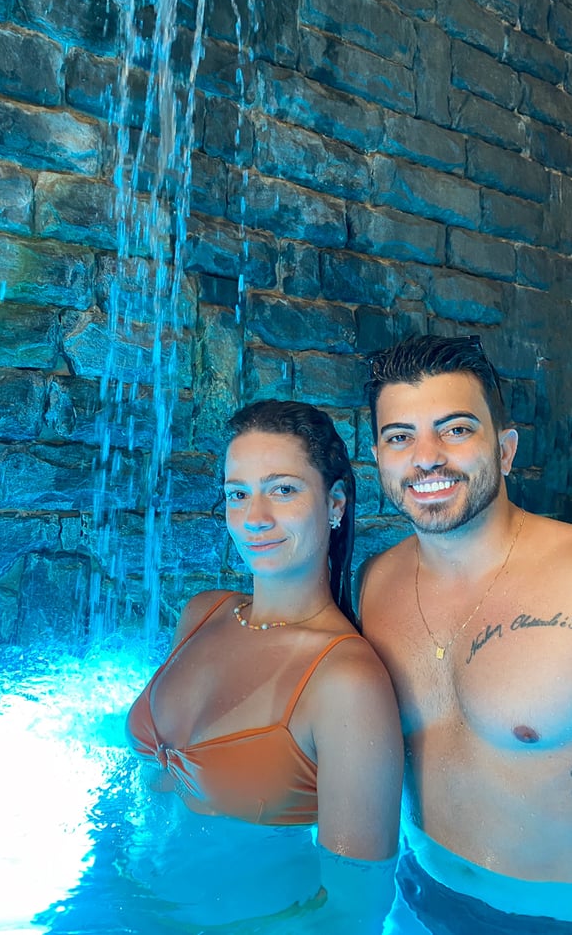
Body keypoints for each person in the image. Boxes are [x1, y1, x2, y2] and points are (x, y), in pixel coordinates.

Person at [359, 334, 572, 933]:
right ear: (379, 457)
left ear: (505, 450)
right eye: (400, 437)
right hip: (422, 892)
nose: (426, 458)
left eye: (456, 430)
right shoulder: (375, 584)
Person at [126, 398, 404, 931]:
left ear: (336, 504)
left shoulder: (346, 681)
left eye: (283, 490)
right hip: (127, 899)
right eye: (238, 494)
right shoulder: (203, 613)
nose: (254, 518)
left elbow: (355, 905)